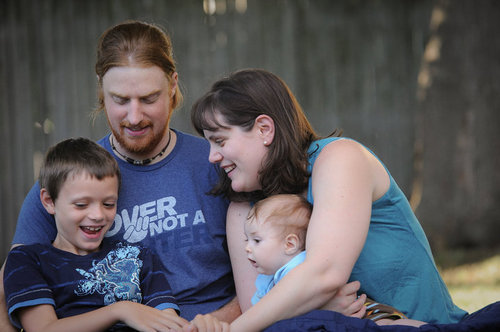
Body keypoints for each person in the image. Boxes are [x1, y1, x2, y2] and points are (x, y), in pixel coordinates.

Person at [0, 20, 239, 332]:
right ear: (101, 91)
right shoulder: (70, 180)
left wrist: (217, 325)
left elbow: (266, 275)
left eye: (149, 98)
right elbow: (8, 295)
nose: (135, 116)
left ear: (173, 85)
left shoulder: (218, 163)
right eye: (121, 100)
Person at [190, 68, 472, 331]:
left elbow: (325, 274)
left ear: (264, 129)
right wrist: (316, 309)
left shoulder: (339, 159)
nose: (212, 157)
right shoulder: (243, 208)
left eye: (220, 141)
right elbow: (259, 310)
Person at [4, 138, 185, 331]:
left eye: (108, 204)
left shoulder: (136, 256)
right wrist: (120, 310)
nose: (98, 215)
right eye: (81, 205)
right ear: (49, 201)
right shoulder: (28, 260)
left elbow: (168, 321)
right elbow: (43, 329)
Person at [245, 194, 425, 327]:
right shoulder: (268, 279)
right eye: (247, 240)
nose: (247, 248)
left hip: (363, 311)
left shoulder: (300, 266)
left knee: (389, 325)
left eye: (256, 240)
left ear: (290, 243)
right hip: (342, 321)